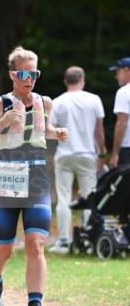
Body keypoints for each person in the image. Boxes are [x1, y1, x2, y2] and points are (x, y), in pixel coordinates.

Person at [0, 46, 68, 306]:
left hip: (37, 177)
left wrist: (56, 133)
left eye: (34, 73)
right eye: (24, 73)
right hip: (6, 179)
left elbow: (43, 130)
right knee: (5, 249)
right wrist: (1, 124)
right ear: (13, 74)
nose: (30, 79)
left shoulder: (45, 102)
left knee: (35, 244)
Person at [48, 66, 105, 252]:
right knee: (90, 197)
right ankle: (89, 239)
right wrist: (102, 152)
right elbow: (99, 131)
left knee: (63, 197)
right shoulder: (94, 100)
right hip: (88, 154)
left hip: (65, 154)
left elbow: (51, 131)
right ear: (83, 80)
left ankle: (63, 241)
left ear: (66, 81)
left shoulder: (58, 102)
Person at [109, 57, 130, 169]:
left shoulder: (124, 92)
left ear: (127, 70)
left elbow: (122, 124)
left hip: (128, 147)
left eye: (117, 72)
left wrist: (115, 154)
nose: (116, 76)